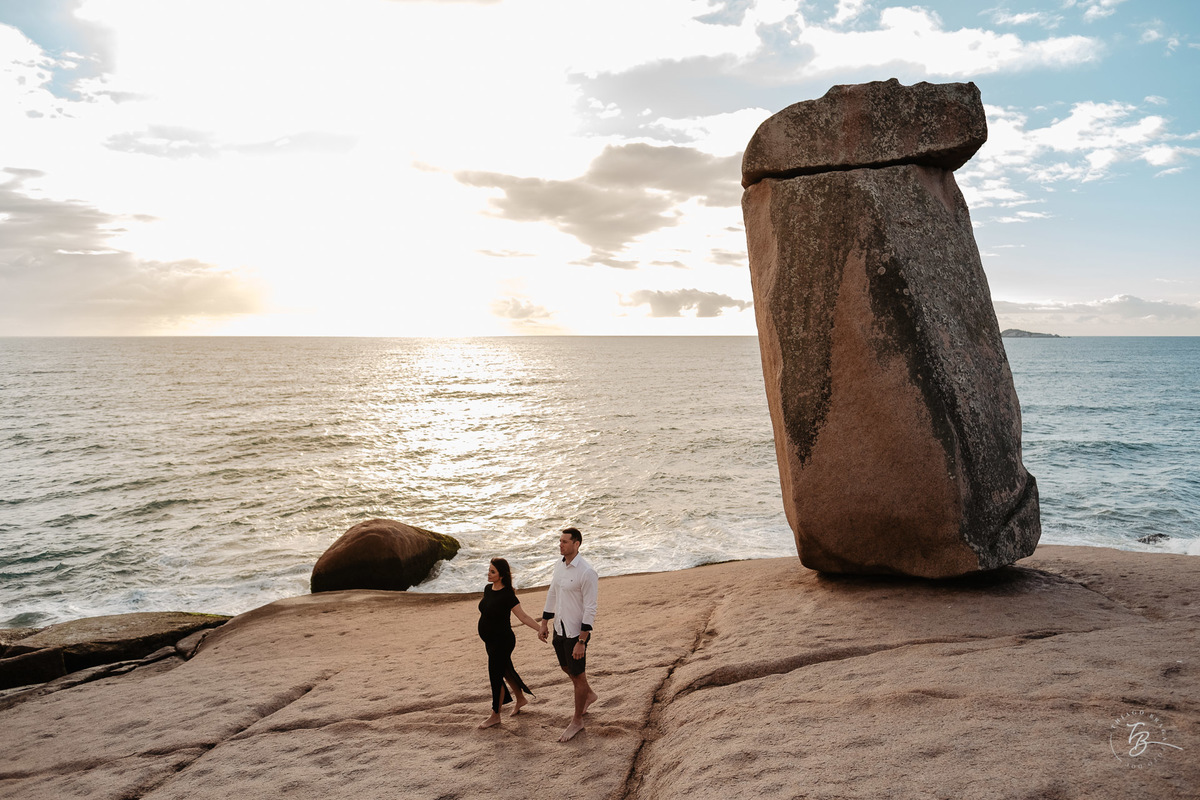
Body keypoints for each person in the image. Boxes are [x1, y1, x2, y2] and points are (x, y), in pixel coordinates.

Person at [538, 526, 599, 742]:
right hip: (559, 628)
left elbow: (591, 608)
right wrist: (544, 622)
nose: (560, 544)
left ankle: (577, 721)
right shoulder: (558, 566)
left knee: (578, 675)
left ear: (577, 544)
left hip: (576, 632)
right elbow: (552, 593)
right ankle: (589, 695)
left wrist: (582, 640)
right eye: (560, 541)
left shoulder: (586, 572)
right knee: (567, 668)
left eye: (565, 541)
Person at [477, 557, 541, 729]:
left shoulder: (508, 595)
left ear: (501, 575)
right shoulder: (488, 589)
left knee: (495, 675)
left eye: (492, 572)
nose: (488, 574)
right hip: (490, 641)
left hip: (503, 641)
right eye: (489, 570)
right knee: (505, 670)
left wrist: (540, 629)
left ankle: (495, 715)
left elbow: (524, 616)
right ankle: (521, 699)